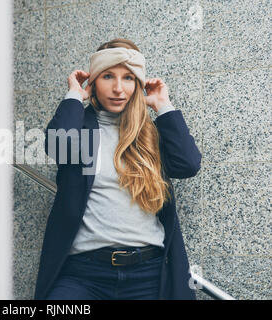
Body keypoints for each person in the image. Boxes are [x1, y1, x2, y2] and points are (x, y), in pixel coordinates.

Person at [34, 38, 202, 300]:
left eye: (128, 78)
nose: (117, 88)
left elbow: (188, 164)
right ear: (93, 82)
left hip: (147, 275)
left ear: (138, 85)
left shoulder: (150, 134)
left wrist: (162, 105)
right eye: (108, 76)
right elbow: (59, 146)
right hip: (83, 276)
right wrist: (74, 96)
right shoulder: (81, 129)